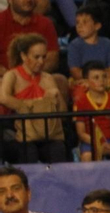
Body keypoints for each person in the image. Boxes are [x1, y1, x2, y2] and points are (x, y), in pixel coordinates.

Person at [0, 34, 68, 163]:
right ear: (23, 56)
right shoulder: (12, 75)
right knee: (28, 151)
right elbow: (3, 98)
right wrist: (30, 105)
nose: (41, 62)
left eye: (44, 57)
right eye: (36, 57)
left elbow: (63, 114)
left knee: (57, 148)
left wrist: (57, 96)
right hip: (18, 132)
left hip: (46, 131)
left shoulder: (48, 78)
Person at [72, 62, 110, 161]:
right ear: (86, 81)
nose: (101, 81)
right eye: (96, 78)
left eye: (104, 77)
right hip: (90, 142)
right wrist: (99, 145)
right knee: (87, 156)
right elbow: (81, 133)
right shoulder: (80, 103)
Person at [68, 4, 110, 81]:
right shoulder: (74, 46)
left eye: (85, 22)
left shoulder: (108, 44)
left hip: (105, 83)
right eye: (77, 22)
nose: (79, 26)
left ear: (97, 26)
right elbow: (75, 72)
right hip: (84, 84)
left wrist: (98, 80)